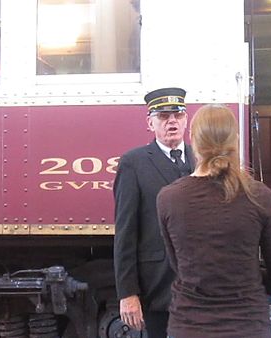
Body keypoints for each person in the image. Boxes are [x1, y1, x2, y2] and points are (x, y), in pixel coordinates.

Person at [156, 104, 271, 338]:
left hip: (188, 328)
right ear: (236, 140)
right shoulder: (259, 196)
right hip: (248, 327)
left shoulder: (169, 198)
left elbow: (180, 267)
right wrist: (245, 272)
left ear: (194, 141)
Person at [113, 87, 195, 338]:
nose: (172, 121)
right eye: (163, 116)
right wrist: (128, 293)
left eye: (178, 115)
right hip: (158, 286)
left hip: (200, 284)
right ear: (150, 123)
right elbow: (126, 232)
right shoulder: (134, 163)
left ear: (186, 119)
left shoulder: (201, 158)